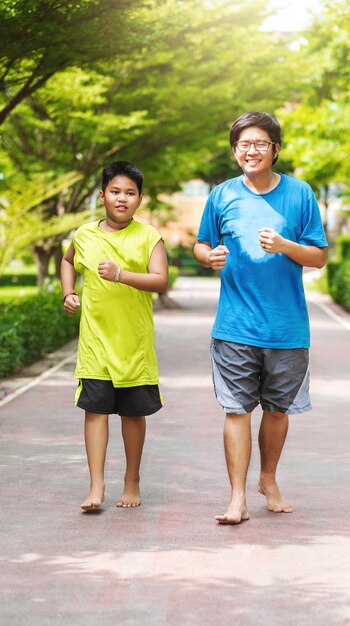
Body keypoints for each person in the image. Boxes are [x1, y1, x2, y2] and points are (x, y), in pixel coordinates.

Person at [194, 111, 328, 524]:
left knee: (276, 411)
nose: (251, 151)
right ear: (235, 151)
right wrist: (209, 257)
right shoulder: (221, 195)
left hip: (287, 327)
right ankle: (237, 497)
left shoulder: (300, 194)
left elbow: (319, 257)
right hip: (235, 325)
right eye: (243, 145)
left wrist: (287, 245)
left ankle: (267, 479)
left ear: (275, 149)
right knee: (236, 410)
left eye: (260, 144)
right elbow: (202, 245)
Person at [61, 161, 168, 511]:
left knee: (133, 415)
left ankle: (132, 480)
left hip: (133, 345)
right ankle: (96, 487)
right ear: (102, 195)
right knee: (95, 412)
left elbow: (160, 280)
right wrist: (68, 292)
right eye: (115, 191)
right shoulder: (84, 235)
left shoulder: (149, 236)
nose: (122, 199)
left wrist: (121, 274)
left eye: (130, 193)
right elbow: (67, 261)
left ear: (139, 199)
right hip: (94, 344)